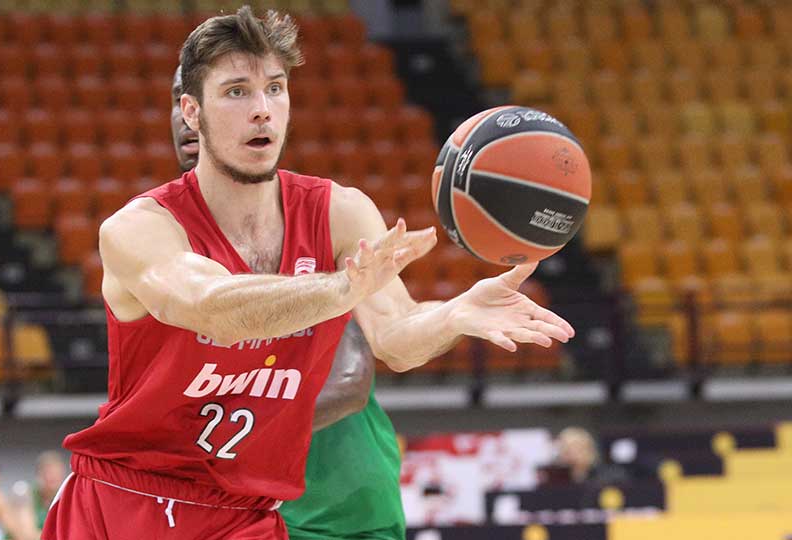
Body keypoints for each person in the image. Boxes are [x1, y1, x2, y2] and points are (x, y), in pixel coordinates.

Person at [44, 7, 572, 539]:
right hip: (126, 501)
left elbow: (395, 338)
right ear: (191, 111)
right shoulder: (140, 227)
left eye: (274, 89)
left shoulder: (339, 212)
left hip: (245, 512)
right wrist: (343, 287)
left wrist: (456, 314)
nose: (262, 111)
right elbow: (210, 307)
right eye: (236, 92)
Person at [170, 65, 406, 539]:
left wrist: (232, 433)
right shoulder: (162, 236)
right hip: (235, 507)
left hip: (338, 507)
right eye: (179, 98)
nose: (185, 115)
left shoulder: (312, 222)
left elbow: (350, 382)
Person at [544, 427, 628, 485]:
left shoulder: (609, 477)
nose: (569, 453)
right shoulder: (553, 481)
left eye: (576, 447)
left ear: (589, 450)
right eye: (564, 448)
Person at [16, 451, 68, 539]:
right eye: (49, 473)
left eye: (57, 473)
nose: (53, 477)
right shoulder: (26, 494)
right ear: (39, 475)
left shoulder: (67, 498)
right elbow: (27, 535)